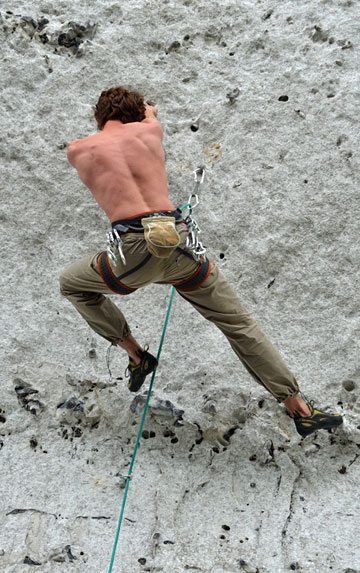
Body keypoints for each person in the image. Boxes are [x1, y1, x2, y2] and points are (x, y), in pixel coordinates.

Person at [60, 86, 343, 438]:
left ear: (100, 117)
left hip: (133, 253)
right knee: (240, 324)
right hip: (179, 243)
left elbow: (109, 142)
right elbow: (151, 111)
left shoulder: (80, 148)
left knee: (71, 284)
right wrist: (146, 111)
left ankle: (136, 355)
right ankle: (300, 409)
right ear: (137, 114)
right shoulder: (150, 130)